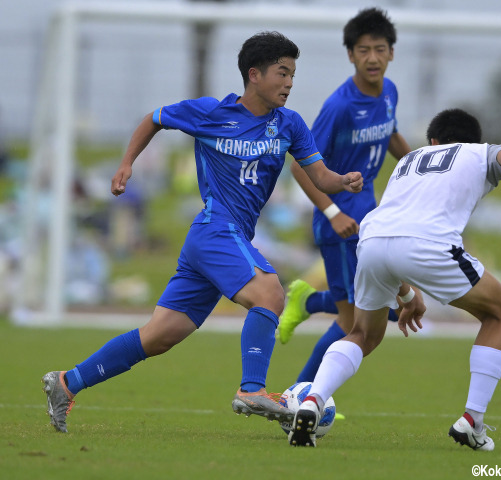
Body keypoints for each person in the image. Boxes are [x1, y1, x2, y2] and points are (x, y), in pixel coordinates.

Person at [41, 31, 363, 434]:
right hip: (215, 228)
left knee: (159, 336)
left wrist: (343, 181)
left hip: (223, 240)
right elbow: (154, 119)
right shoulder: (211, 113)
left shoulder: (289, 124)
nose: (289, 83)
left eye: (293, 75)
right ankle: (251, 390)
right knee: (270, 293)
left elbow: (319, 175)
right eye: (282, 73)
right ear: (254, 75)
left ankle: (67, 382)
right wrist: (126, 164)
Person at [287, 108, 501, 449]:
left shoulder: (410, 161)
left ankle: (313, 400)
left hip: (373, 241)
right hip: (430, 245)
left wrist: (406, 297)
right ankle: (472, 421)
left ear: (433, 141)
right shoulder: (475, 153)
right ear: (473, 141)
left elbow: (397, 240)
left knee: (362, 333)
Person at [277, 7, 411, 385]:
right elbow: (300, 166)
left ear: (391, 53)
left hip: (369, 216)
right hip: (339, 223)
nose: (372, 57)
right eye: (363, 50)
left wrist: (423, 166)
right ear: (350, 54)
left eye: (380, 49)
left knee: (380, 312)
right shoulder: (339, 107)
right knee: (353, 323)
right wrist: (333, 211)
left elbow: (391, 136)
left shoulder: (390, 93)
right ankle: (302, 394)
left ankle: (308, 303)